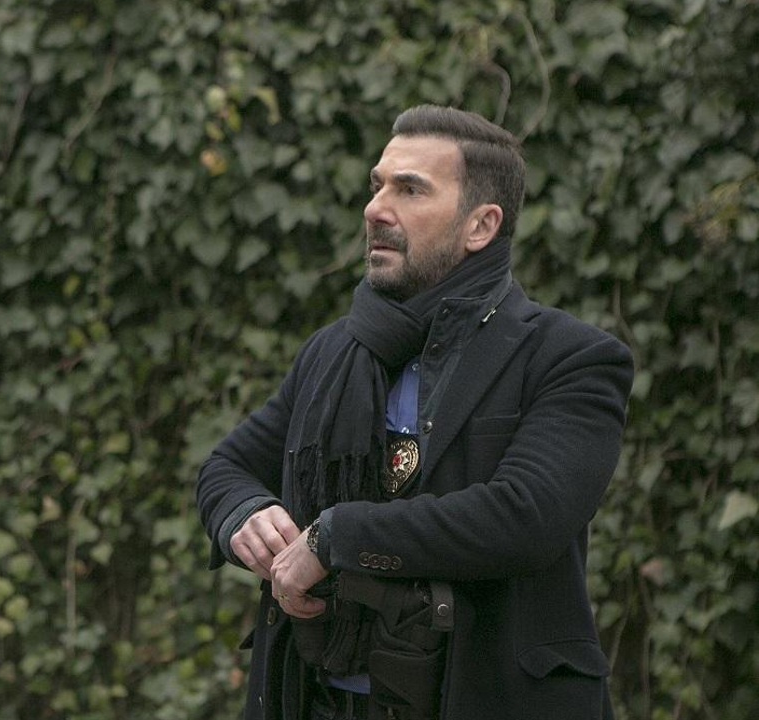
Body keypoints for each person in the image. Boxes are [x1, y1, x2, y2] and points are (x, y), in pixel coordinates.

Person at [197, 105, 633, 720]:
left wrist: (336, 536)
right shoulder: (333, 351)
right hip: (313, 699)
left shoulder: (570, 358)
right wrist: (245, 515)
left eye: (409, 189)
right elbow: (227, 467)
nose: (375, 208)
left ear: (480, 225)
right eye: (377, 185)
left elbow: (525, 516)